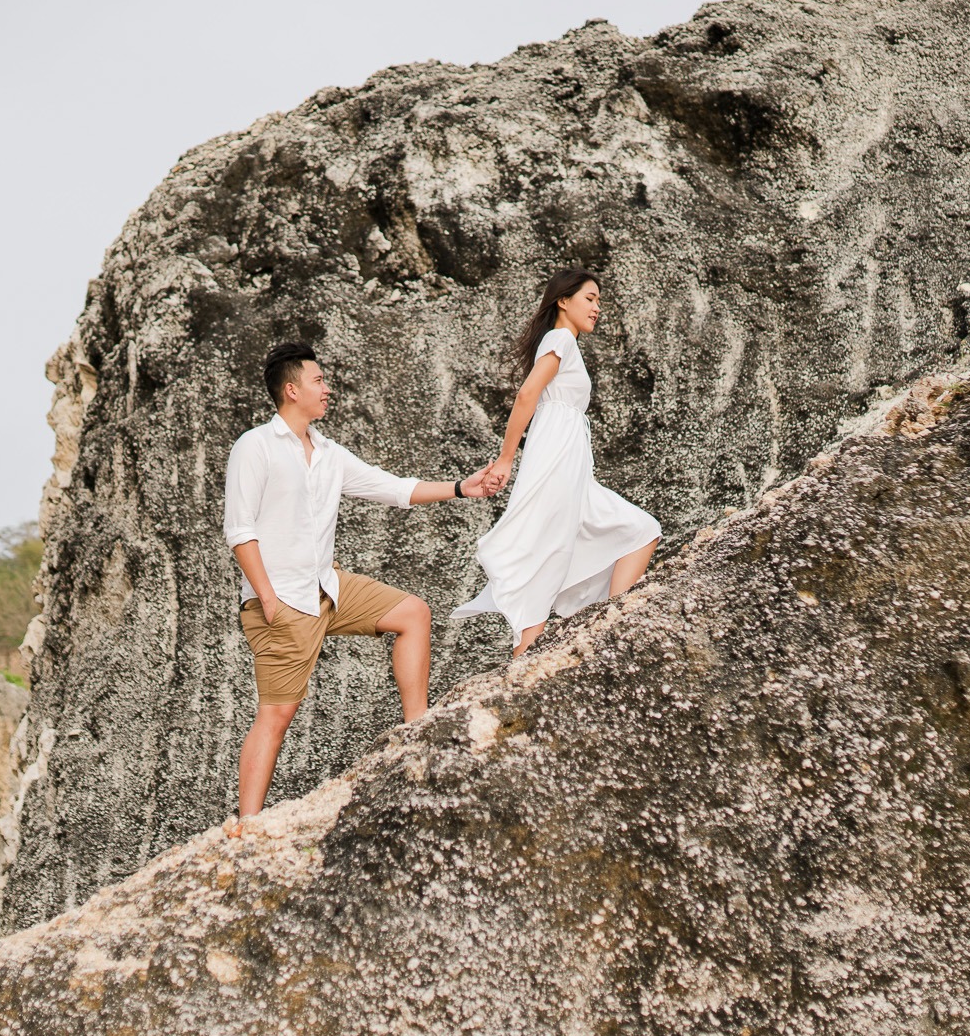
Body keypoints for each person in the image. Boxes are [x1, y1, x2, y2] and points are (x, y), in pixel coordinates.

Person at [222, 341, 501, 829]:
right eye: (318, 381)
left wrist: (462, 487)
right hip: (281, 601)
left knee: (412, 613)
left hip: (327, 587)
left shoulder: (328, 453)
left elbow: (392, 488)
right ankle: (246, 828)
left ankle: (417, 731)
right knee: (277, 715)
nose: (327, 389)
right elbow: (240, 531)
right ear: (291, 390)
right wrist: (267, 599)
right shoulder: (255, 447)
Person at [454, 269, 660, 656]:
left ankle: (612, 623)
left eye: (599, 301)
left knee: (638, 529)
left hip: (572, 466)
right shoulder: (561, 337)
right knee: (549, 552)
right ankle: (593, 633)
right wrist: (504, 459)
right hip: (556, 462)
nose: (597, 307)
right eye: (590, 298)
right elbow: (527, 394)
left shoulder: (565, 343)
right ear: (563, 301)